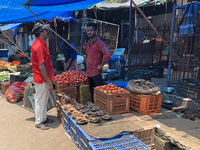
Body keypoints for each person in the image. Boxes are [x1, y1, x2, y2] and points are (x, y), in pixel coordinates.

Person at [31, 22, 55, 130]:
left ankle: (43, 118)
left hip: (43, 77)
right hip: (41, 78)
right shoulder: (39, 46)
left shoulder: (41, 43)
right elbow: (42, 67)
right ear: (41, 33)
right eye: (45, 31)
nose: (47, 32)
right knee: (40, 99)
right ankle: (38, 121)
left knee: (44, 99)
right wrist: (49, 82)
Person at [84, 22, 111, 103]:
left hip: (96, 74)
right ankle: (94, 109)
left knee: (99, 94)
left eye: (91, 30)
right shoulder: (88, 43)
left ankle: (100, 110)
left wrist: (101, 65)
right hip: (89, 73)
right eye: (88, 30)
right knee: (92, 93)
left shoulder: (99, 43)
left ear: (95, 31)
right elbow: (87, 56)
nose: (89, 32)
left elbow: (108, 54)